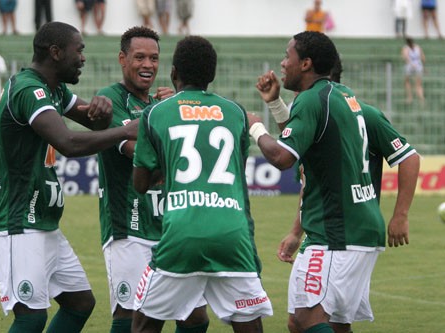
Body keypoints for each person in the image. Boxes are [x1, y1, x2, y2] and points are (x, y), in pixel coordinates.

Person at [0, 21, 138, 333]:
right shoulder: (29, 89)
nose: (83, 58)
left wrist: (104, 111)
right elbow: (68, 143)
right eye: (78, 50)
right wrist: (127, 129)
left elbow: (94, 121)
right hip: (16, 220)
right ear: (55, 52)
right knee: (31, 316)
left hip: (41, 220)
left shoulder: (54, 89)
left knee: (80, 303)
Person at [262, 59, 420, 333]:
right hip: (325, 227)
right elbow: (309, 167)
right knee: (325, 322)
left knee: (304, 319)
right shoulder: (318, 111)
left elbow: (409, 157)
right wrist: (295, 232)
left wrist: (401, 215)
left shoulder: (362, 114)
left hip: (341, 230)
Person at [247, 31, 388, 333]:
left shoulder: (312, 99)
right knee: (316, 323)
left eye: (288, 56)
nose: (283, 63)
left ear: (307, 63)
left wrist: (255, 127)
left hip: (335, 233)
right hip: (351, 229)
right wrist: (276, 105)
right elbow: (305, 152)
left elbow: (284, 159)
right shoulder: (338, 97)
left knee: (307, 319)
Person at [132, 35, 273, 333]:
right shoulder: (235, 113)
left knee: (144, 322)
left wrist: (167, 166)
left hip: (182, 233)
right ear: (211, 75)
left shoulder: (156, 113)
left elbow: (141, 183)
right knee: (248, 324)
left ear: (173, 73)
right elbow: (236, 168)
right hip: (232, 234)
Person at [95, 26, 209, 333]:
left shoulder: (162, 106)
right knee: (132, 316)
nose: (148, 65)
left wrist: (177, 111)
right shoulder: (111, 100)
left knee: (195, 315)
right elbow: (135, 152)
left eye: (154, 58)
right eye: (140, 57)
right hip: (129, 228)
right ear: (123, 59)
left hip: (170, 227)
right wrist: (165, 115)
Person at [401, 37, 425, 104]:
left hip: (410, 66)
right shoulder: (418, 47)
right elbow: (423, 57)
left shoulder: (406, 48)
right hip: (418, 66)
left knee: (407, 82)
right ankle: (421, 100)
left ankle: (410, 98)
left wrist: (411, 64)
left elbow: (405, 57)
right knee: (418, 84)